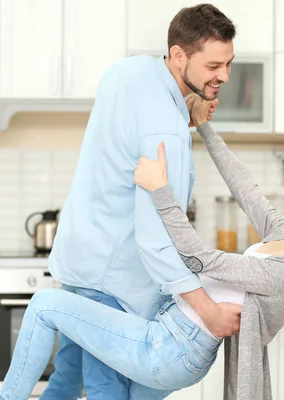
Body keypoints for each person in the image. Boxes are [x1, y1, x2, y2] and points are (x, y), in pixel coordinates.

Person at [0, 96, 284, 400]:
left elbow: (198, 257)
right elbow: (244, 185)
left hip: (171, 349)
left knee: (44, 307)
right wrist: (203, 125)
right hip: (172, 333)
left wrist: (160, 190)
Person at [42, 4, 237, 400]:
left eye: (229, 63)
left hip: (79, 263)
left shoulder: (129, 70)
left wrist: (186, 109)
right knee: (105, 389)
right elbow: (157, 236)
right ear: (179, 55)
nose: (225, 76)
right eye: (214, 65)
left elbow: (136, 125)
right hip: (114, 281)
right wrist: (204, 308)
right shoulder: (164, 128)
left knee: (67, 378)